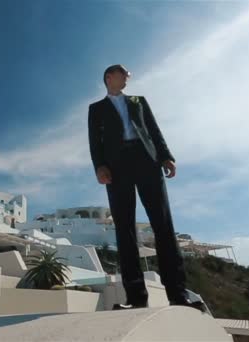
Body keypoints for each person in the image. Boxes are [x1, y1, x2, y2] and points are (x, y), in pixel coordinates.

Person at [88, 64, 202, 310]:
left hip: (147, 161)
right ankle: (137, 298)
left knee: (163, 224)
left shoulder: (139, 100)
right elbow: (94, 142)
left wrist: (166, 156)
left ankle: (178, 295)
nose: (128, 77)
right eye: (124, 73)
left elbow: (153, 129)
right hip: (116, 169)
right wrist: (100, 166)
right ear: (109, 77)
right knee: (125, 229)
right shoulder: (95, 109)